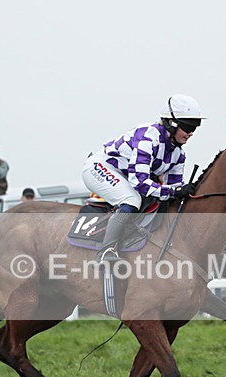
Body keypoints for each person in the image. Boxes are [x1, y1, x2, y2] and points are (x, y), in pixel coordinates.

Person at [81, 93, 204, 263]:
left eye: (195, 128)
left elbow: (174, 189)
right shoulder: (148, 138)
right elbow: (139, 182)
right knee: (132, 200)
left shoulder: (179, 154)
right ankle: (105, 251)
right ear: (171, 123)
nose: (191, 133)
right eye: (187, 127)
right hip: (99, 168)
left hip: (123, 176)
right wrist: (173, 191)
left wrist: (182, 191)